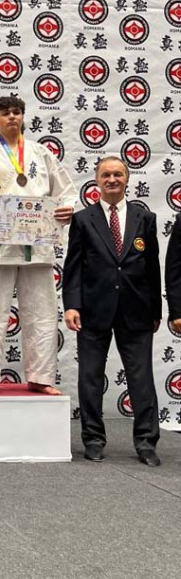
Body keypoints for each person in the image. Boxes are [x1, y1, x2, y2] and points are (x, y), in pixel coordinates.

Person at [0, 95, 75, 396]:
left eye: (16, 112)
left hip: (37, 241)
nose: (12, 117)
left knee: (42, 311)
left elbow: (66, 192)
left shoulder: (41, 152)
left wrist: (67, 210)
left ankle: (41, 376)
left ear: (23, 118)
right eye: (5, 113)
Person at [63, 156, 161, 465]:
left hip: (137, 310)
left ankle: (146, 442)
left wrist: (156, 310)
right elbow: (73, 267)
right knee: (90, 377)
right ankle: (93, 439)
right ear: (97, 180)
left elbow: (153, 267)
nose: (112, 179)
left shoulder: (145, 218)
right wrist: (72, 305)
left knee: (141, 379)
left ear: (127, 178)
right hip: (93, 310)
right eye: (106, 175)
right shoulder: (83, 219)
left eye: (118, 174)